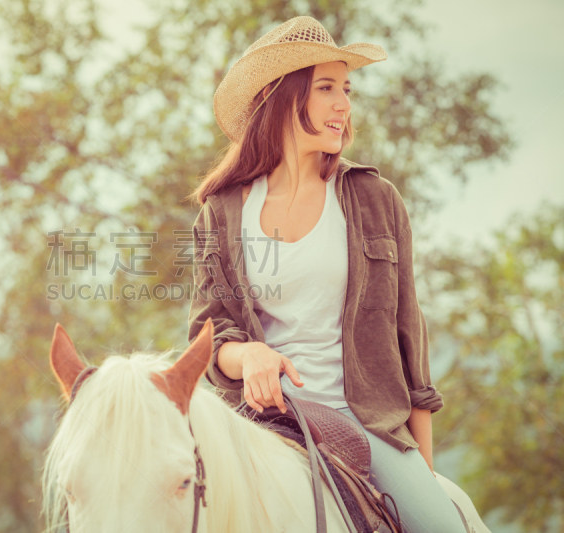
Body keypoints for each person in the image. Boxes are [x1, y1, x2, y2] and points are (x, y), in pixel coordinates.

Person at [186, 16, 467, 533]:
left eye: (347, 89)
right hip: (264, 423)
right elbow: (209, 337)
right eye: (327, 88)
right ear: (280, 95)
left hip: (369, 425)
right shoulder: (222, 212)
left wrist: (422, 473)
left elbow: (411, 346)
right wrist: (250, 354)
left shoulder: (374, 200)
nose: (344, 105)